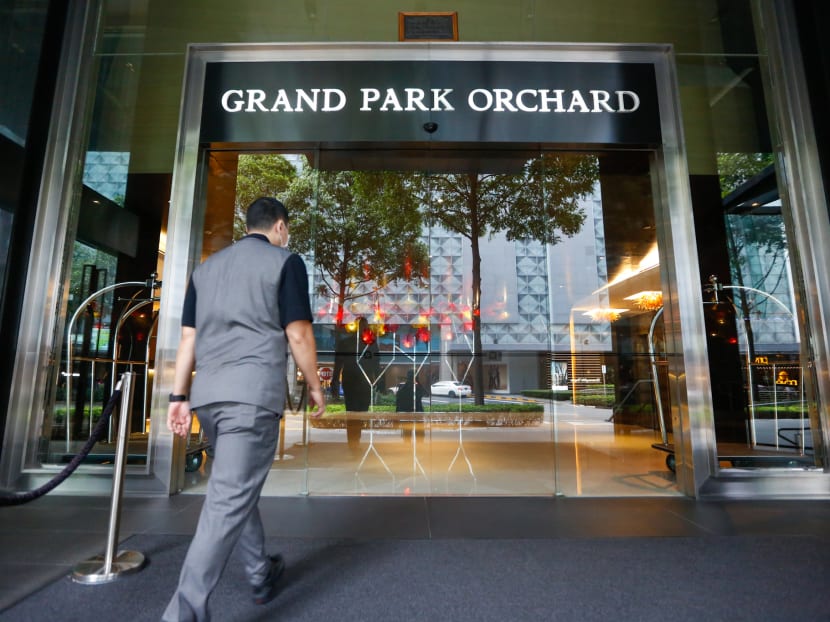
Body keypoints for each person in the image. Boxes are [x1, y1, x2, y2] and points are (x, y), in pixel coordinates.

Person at [162, 197, 325, 621]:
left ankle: (259, 570)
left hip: (209, 399)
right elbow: (299, 332)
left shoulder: (206, 270)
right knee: (226, 500)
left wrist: (178, 398)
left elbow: (188, 340)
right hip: (249, 400)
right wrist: (314, 384)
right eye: (285, 230)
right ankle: (183, 614)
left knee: (233, 486)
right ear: (280, 227)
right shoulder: (285, 261)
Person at [334, 316, 378, 449]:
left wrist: (378, 380)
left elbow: (376, 362)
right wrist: (335, 380)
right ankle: (354, 441)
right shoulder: (347, 343)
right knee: (353, 413)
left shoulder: (370, 343)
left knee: (358, 412)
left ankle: (355, 439)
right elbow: (338, 363)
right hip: (353, 381)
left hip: (362, 381)